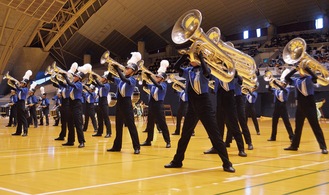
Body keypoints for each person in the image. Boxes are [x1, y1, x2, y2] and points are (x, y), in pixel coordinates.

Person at [164, 53, 235, 173]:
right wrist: (185, 56)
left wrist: (201, 58)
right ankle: (177, 161)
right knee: (184, 135)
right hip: (192, 105)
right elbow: (176, 67)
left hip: (204, 104)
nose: (191, 60)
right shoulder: (189, 70)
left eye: (193, 58)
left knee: (215, 135)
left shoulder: (204, 69)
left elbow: (207, 72)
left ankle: (227, 163)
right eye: (191, 59)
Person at [284, 65, 328, 154]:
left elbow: (315, 77)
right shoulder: (296, 80)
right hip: (300, 105)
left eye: (302, 70)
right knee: (298, 127)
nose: (301, 72)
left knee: (315, 126)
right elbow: (286, 77)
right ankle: (294, 146)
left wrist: (306, 68)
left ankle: (323, 147)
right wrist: (295, 69)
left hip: (309, 104)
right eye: (300, 71)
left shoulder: (310, 78)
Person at [203, 75, 247, 157]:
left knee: (234, 125)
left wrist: (235, 73)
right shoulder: (217, 71)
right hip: (220, 95)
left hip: (229, 95)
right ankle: (216, 147)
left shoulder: (231, 72)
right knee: (219, 125)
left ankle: (241, 149)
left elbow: (240, 81)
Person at [107, 52, 141, 154]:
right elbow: (110, 78)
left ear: (133, 71)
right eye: (125, 68)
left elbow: (123, 78)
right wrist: (111, 67)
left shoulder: (132, 79)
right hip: (119, 103)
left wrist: (117, 68)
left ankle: (137, 147)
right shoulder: (121, 80)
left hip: (126, 103)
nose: (126, 69)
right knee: (118, 126)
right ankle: (117, 146)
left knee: (131, 125)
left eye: (128, 68)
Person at [140, 60, 171, 148]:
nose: (156, 78)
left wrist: (150, 77)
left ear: (163, 79)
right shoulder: (153, 85)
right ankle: (148, 140)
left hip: (159, 105)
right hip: (152, 104)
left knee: (162, 124)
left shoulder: (164, 85)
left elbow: (158, 86)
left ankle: (168, 141)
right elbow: (145, 86)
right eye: (156, 77)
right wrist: (144, 77)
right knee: (150, 123)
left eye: (158, 77)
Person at [61, 65, 86, 148]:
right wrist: (60, 77)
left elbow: (69, 83)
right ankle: (70, 141)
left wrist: (66, 77)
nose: (74, 77)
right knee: (70, 123)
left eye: (75, 76)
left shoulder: (79, 84)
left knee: (78, 123)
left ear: (79, 78)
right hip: (71, 104)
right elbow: (63, 84)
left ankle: (82, 141)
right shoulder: (73, 84)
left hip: (77, 104)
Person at [267, 70, 294, 142]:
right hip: (276, 107)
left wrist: (277, 84)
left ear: (285, 84)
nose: (281, 83)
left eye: (282, 83)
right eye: (281, 83)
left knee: (286, 122)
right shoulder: (276, 90)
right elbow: (269, 90)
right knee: (274, 122)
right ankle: (273, 137)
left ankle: (292, 137)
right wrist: (270, 82)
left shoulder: (287, 89)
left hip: (283, 107)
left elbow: (284, 90)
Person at [11, 70, 32, 136]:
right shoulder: (20, 88)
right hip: (18, 103)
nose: (20, 83)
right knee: (18, 118)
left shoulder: (25, 89)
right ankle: (18, 132)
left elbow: (19, 88)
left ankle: (25, 131)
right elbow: (15, 88)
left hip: (22, 103)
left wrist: (15, 84)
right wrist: (12, 82)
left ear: (25, 84)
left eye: (22, 83)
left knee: (23, 118)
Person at [92, 71, 112, 138]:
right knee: (99, 118)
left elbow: (100, 85)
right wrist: (93, 78)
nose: (101, 78)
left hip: (104, 102)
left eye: (102, 77)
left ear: (105, 79)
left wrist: (95, 78)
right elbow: (95, 84)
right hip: (100, 101)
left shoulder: (107, 85)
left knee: (106, 118)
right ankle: (99, 132)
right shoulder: (101, 85)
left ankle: (109, 132)